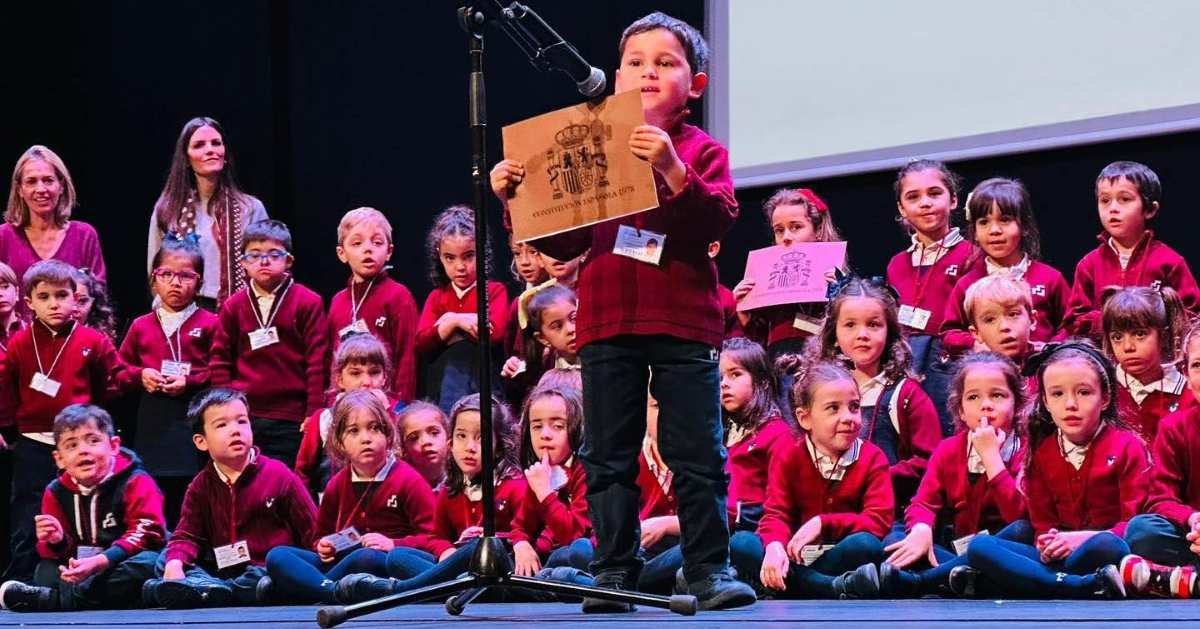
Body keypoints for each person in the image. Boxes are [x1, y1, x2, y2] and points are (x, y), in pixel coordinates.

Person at [491, 11, 754, 610]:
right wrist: (517, 201)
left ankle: (709, 570)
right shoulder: (593, 151)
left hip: (684, 322)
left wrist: (668, 166)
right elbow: (563, 244)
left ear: (697, 84)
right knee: (607, 455)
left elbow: (715, 220)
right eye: (635, 63)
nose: (648, 73)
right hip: (607, 321)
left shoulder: (703, 151)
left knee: (696, 453)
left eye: (665, 63)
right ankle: (614, 572)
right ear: (615, 77)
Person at [956, 342, 1145, 599]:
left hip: (1101, 549)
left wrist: (1080, 539)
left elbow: (1135, 526)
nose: (1070, 404)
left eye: (1084, 393)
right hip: (1060, 558)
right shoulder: (1043, 452)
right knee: (981, 546)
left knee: (1107, 545)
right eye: (1057, 394)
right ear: (1045, 400)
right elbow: (1042, 524)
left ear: (1105, 398)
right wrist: (1047, 543)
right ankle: (1080, 585)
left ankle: (1029, 581)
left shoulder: (1127, 447)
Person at [333, 393, 527, 602]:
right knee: (398, 558)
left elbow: (530, 533)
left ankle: (395, 592)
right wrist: (447, 549)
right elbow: (436, 538)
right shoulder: (451, 489)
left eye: (481, 438)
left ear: (500, 446)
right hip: (458, 568)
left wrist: (505, 539)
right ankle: (451, 588)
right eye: (462, 436)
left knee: (481, 547)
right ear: (451, 443)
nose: (470, 447)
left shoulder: (514, 486)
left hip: (500, 571)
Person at [140, 388, 317, 608]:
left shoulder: (279, 474)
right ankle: (209, 588)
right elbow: (187, 536)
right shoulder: (200, 486)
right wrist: (174, 565)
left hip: (262, 569)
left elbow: (312, 532)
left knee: (269, 576)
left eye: (241, 422)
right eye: (222, 425)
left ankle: (206, 590)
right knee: (165, 558)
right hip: (221, 569)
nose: (235, 431)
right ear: (201, 441)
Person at [1, 260, 120, 582]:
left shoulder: (93, 341)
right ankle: (21, 581)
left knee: (82, 510)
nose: (54, 304)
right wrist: (11, 430)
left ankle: (87, 576)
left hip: (80, 443)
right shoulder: (20, 343)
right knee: (29, 513)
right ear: (29, 303)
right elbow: (8, 390)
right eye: (44, 297)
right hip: (34, 443)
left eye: (62, 295)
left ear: (76, 298)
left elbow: (108, 384)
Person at [262, 390, 437, 604]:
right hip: (340, 564)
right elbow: (320, 536)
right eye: (354, 431)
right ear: (340, 442)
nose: (366, 438)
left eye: (374, 429)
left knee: (366, 557)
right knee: (278, 555)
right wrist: (322, 545)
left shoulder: (408, 480)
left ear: (388, 435)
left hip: (382, 563)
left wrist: (393, 543)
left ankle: (302, 589)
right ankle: (331, 591)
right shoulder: (337, 483)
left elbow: (434, 539)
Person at [880, 353, 1032, 597]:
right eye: (973, 397)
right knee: (896, 537)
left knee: (1021, 530)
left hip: (1003, 551)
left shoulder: (1026, 449)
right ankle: (961, 578)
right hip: (954, 552)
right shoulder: (949, 449)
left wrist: (992, 458)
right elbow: (923, 503)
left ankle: (925, 581)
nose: (986, 405)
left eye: (998, 395)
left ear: (1017, 405)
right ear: (960, 410)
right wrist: (921, 529)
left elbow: (1016, 515)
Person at [757, 360, 892, 599]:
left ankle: (796, 585)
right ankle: (834, 586)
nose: (849, 417)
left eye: (854, 406)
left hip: (841, 554)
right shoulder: (788, 455)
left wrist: (823, 523)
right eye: (833, 408)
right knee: (742, 543)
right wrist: (775, 545)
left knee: (866, 545)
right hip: (795, 555)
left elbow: (878, 521)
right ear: (804, 418)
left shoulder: (872, 457)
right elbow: (776, 514)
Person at [807, 276, 940, 519]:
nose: (862, 334)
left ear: (889, 332)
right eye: (850, 325)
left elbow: (930, 461)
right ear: (834, 333)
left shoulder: (906, 395)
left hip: (891, 515)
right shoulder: (816, 395)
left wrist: (873, 478)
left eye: (873, 325)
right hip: (827, 516)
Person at [210, 219, 329, 469]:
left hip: (292, 418)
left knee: (288, 485)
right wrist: (225, 411)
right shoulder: (233, 306)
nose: (264, 262)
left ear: (288, 261)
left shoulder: (308, 302)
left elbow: (317, 361)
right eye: (254, 255)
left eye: (274, 254)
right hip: (245, 416)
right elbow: (220, 360)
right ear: (243, 263)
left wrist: (313, 413)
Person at [116, 240, 219, 526]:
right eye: (166, 274)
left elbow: (221, 371)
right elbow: (119, 372)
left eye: (186, 276)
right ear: (154, 279)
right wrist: (141, 375)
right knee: (154, 492)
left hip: (193, 422)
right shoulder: (141, 325)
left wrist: (190, 381)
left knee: (194, 493)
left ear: (198, 283)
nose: (175, 283)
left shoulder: (211, 323)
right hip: (153, 425)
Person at [1064, 161, 1200, 341]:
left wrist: (1151, 318)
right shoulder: (1089, 264)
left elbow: (1192, 315)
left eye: (1124, 199)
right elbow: (1074, 320)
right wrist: (1114, 319)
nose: (1112, 208)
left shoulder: (1169, 261)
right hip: (1106, 361)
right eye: (1105, 200)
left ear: (1150, 209)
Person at [939, 178, 1069, 361]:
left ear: (1023, 225)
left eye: (1005, 220)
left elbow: (1070, 326)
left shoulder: (1050, 278)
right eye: (984, 222)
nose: (994, 230)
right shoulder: (967, 284)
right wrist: (976, 343)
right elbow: (949, 333)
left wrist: (1051, 349)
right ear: (974, 232)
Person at [147, 117, 269, 310]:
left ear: (225, 152)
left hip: (237, 312)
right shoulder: (168, 210)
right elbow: (155, 274)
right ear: (186, 158)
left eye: (216, 143)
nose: (210, 150)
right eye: (199, 145)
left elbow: (264, 268)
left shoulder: (251, 209)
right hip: (184, 312)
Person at [1121, 320, 1200, 598]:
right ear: (1187, 374)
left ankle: (1185, 581)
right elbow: (1160, 498)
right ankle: (1190, 578)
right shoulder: (1175, 427)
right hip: (1195, 537)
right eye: (1198, 366)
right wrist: (1192, 519)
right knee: (1142, 530)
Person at [414, 206, 509, 412]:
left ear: (481, 252)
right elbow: (422, 342)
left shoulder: (493, 291)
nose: (460, 266)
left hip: (483, 386)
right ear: (439, 256)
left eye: (468, 256)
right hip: (441, 390)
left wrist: (447, 325)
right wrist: (456, 321)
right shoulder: (437, 297)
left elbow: (494, 333)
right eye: (450, 258)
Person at [734, 188, 843, 356]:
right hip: (778, 366)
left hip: (822, 366)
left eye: (796, 227)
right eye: (779, 230)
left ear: (819, 230)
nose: (786, 236)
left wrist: (838, 297)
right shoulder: (765, 281)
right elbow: (759, 347)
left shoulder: (838, 280)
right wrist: (745, 316)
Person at [327, 207, 419, 401]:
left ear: (389, 251)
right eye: (357, 243)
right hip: (345, 404)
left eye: (377, 242)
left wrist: (401, 405)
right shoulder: (338, 301)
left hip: (387, 404)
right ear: (342, 253)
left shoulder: (398, 296)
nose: (368, 249)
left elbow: (408, 358)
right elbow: (332, 360)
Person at [295, 333, 393, 498]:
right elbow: (303, 472)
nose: (366, 382)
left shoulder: (397, 417)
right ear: (340, 379)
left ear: (384, 378)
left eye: (374, 372)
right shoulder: (324, 420)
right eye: (356, 374)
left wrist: (387, 415)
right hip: (333, 510)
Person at [0, 145, 107, 286]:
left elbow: (98, 295)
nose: (41, 189)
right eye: (31, 181)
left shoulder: (84, 235)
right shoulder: (3, 237)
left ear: (61, 186)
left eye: (48, 180)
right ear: (20, 189)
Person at [1100, 286, 1191, 442]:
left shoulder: (1187, 393)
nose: (1128, 347)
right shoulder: (1104, 390)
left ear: (1163, 336)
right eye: (1117, 337)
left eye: (1139, 334)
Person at [394, 401, 450, 492]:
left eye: (434, 433)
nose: (426, 442)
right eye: (414, 438)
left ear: (448, 437)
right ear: (403, 450)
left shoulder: (463, 482)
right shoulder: (402, 490)